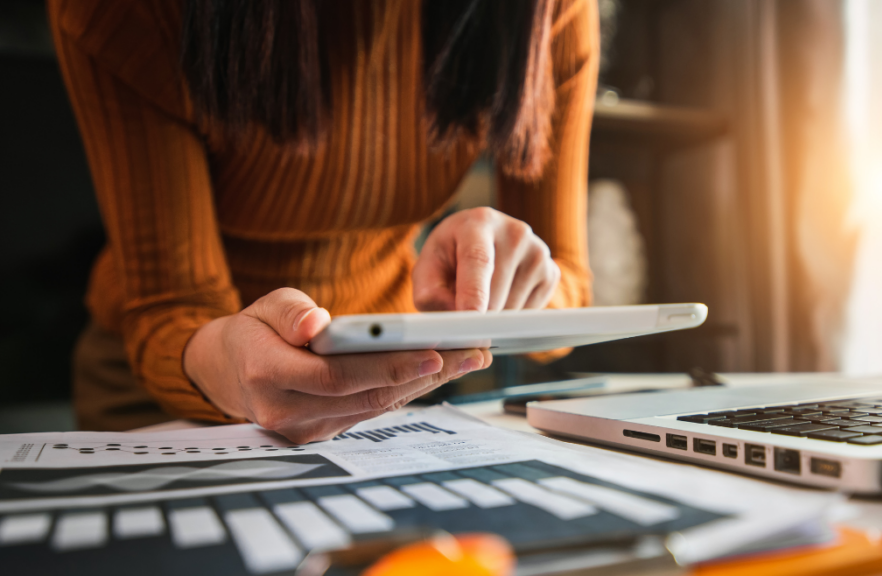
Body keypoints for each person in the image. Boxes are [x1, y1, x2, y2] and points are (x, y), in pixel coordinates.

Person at [49, 0, 597, 443]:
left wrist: (513, 283)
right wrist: (231, 367)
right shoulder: (124, 12)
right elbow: (171, 304)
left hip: (383, 394)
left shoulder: (546, 11)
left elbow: (567, 284)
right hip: (175, 389)